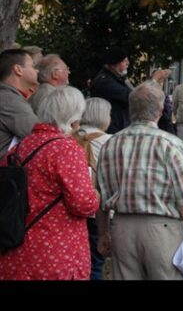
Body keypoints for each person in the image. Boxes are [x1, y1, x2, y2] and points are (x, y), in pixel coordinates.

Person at [96, 81, 183, 280]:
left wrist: (103, 234)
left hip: (122, 227)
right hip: (161, 229)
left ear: (130, 109)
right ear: (161, 110)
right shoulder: (172, 145)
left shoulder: (110, 144)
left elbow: (101, 197)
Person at [0, 86, 98, 280]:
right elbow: (83, 204)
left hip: (14, 250)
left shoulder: (19, 148)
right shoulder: (66, 149)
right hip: (56, 253)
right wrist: (95, 195)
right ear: (74, 119)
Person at [76, 97, 112, 280]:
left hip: (74, 207)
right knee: (96, 261)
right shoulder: (111, 141)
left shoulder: (69, 137)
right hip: (100, 208)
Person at [0, 48, 39, 160]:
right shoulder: (9, 100)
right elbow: (39, 134)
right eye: (33, 66)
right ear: (18, 70)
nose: (37, 71)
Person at [90, 47, 132, 134]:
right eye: (124, 61)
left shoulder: (116, 78)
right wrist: (153, 81)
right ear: (113, 65)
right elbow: (131, 96)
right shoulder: (105, 81)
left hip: (118, 127)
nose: (128, 63)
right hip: (111, 129)